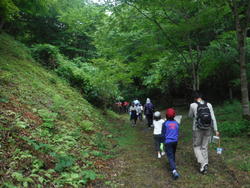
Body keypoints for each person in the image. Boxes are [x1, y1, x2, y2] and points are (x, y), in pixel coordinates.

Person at [188, 91, 219, 174]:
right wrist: (216, 129)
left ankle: (203, 163)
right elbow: (213, 118)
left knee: (196, 146)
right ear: (201, 96)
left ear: (194, 98)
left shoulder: (192, 105)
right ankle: (205, 165)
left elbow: (190, 116)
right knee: (204, 146)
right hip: (208, 128)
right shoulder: (209, 104)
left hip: (197, 129)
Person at [162, 108, 180, 180]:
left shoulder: (165, 124)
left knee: (170, 156)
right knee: (173, 153)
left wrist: (162, 142)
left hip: (168, 142)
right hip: (175, 141)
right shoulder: (176, 123)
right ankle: (173, 164)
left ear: (166, 115)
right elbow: (177, 131)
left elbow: (163, 134)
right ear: (174, 115)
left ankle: (174, 171)